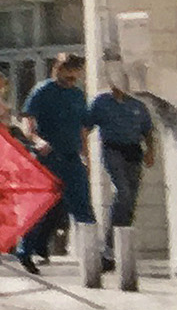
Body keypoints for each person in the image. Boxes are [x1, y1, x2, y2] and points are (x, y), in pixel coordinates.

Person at [17, 53, 91, 273]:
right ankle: (25, 251)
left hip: (71, 157)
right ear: (58, 69)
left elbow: (82, 129)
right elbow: (26, 122)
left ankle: (92, 260)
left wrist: (85, 156)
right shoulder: (42, 91)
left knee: (83, 207)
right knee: (40, 205)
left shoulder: (78, 95)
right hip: (47, 158)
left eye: (75, 75)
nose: (71, 79)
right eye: (67, 73)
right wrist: (37, 140)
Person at [86, 72, 155, 269]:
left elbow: (147, 131)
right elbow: (87, 126)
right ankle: (108, 248)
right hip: (112, 148)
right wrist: (83, 151)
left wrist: (150, 151)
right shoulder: (101, 101)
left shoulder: (137, 105)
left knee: (131, 199)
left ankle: (118, 245)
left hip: (133, 150)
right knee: (123, 192)